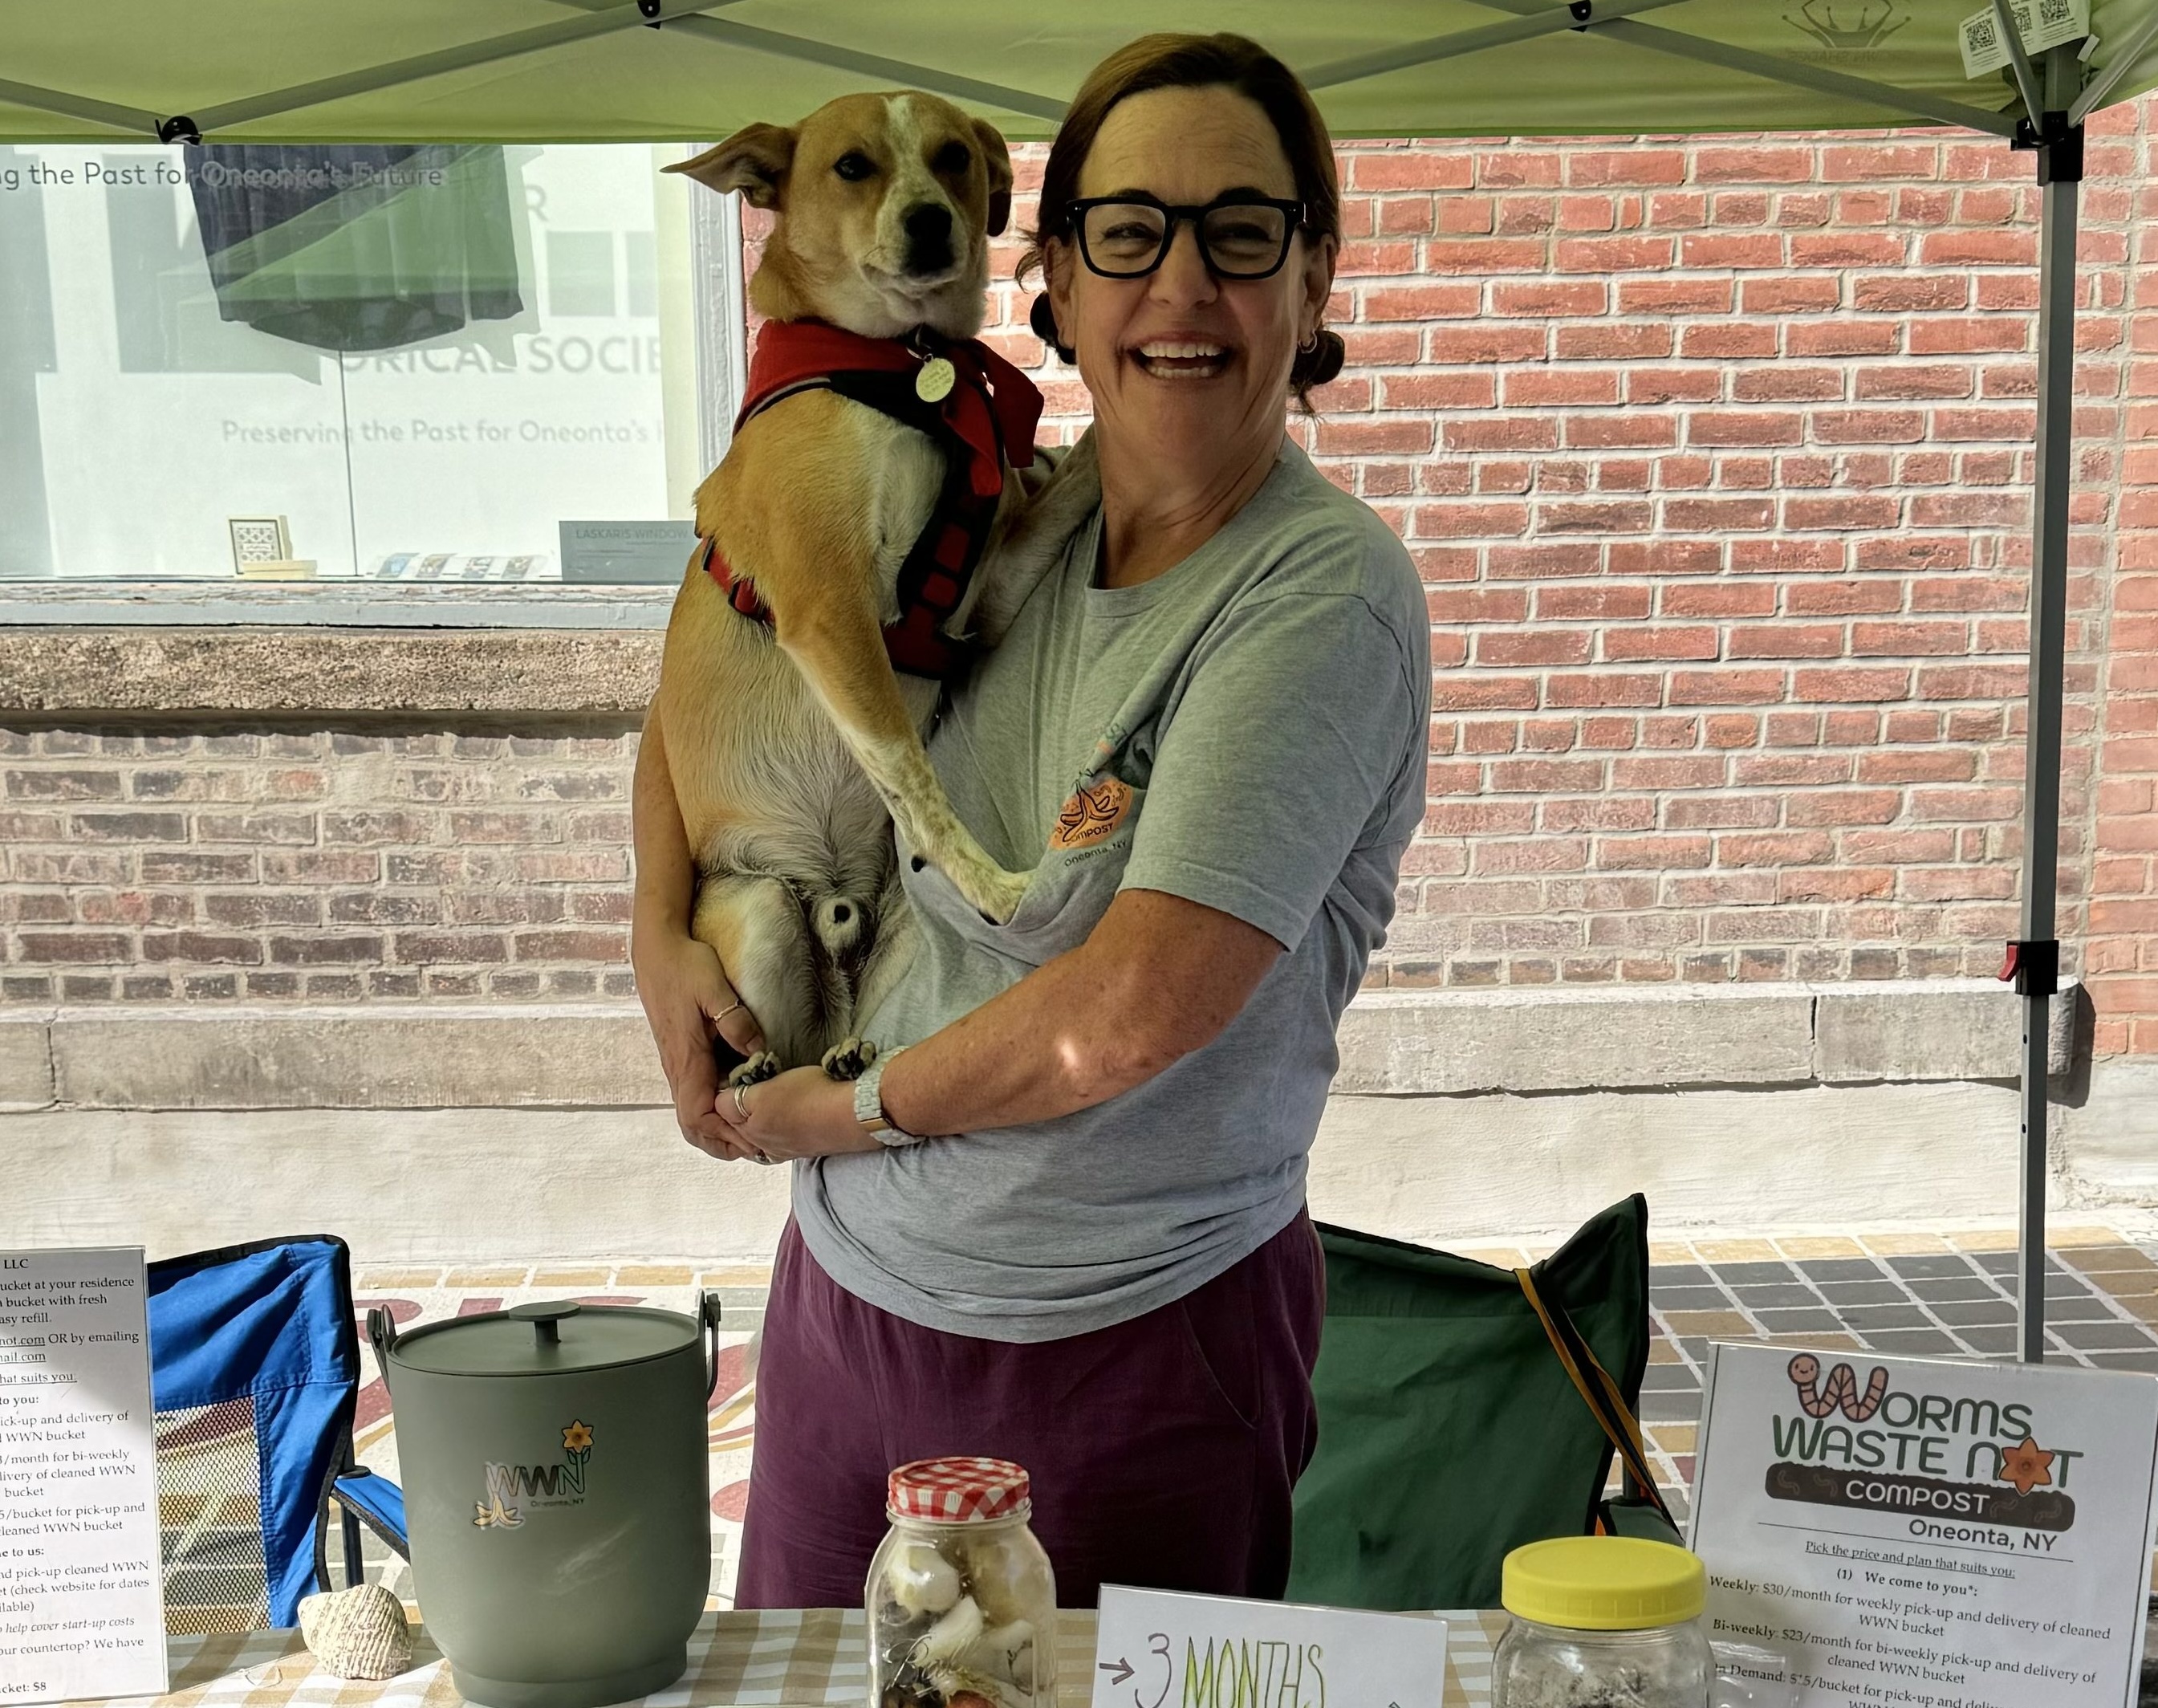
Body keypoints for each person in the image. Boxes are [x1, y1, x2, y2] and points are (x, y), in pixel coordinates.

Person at [630, 31, 1433, 1609]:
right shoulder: (993, 512)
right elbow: (718, 652)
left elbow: (1127, 1012)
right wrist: (656, 928)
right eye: (1127, 232)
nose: (1180, 286)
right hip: (849, 1298)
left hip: (1125, 1343)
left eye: (1240, 233)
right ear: (1053, 274)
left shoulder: (1317, 597)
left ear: (1315, 275)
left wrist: (843, 1111)